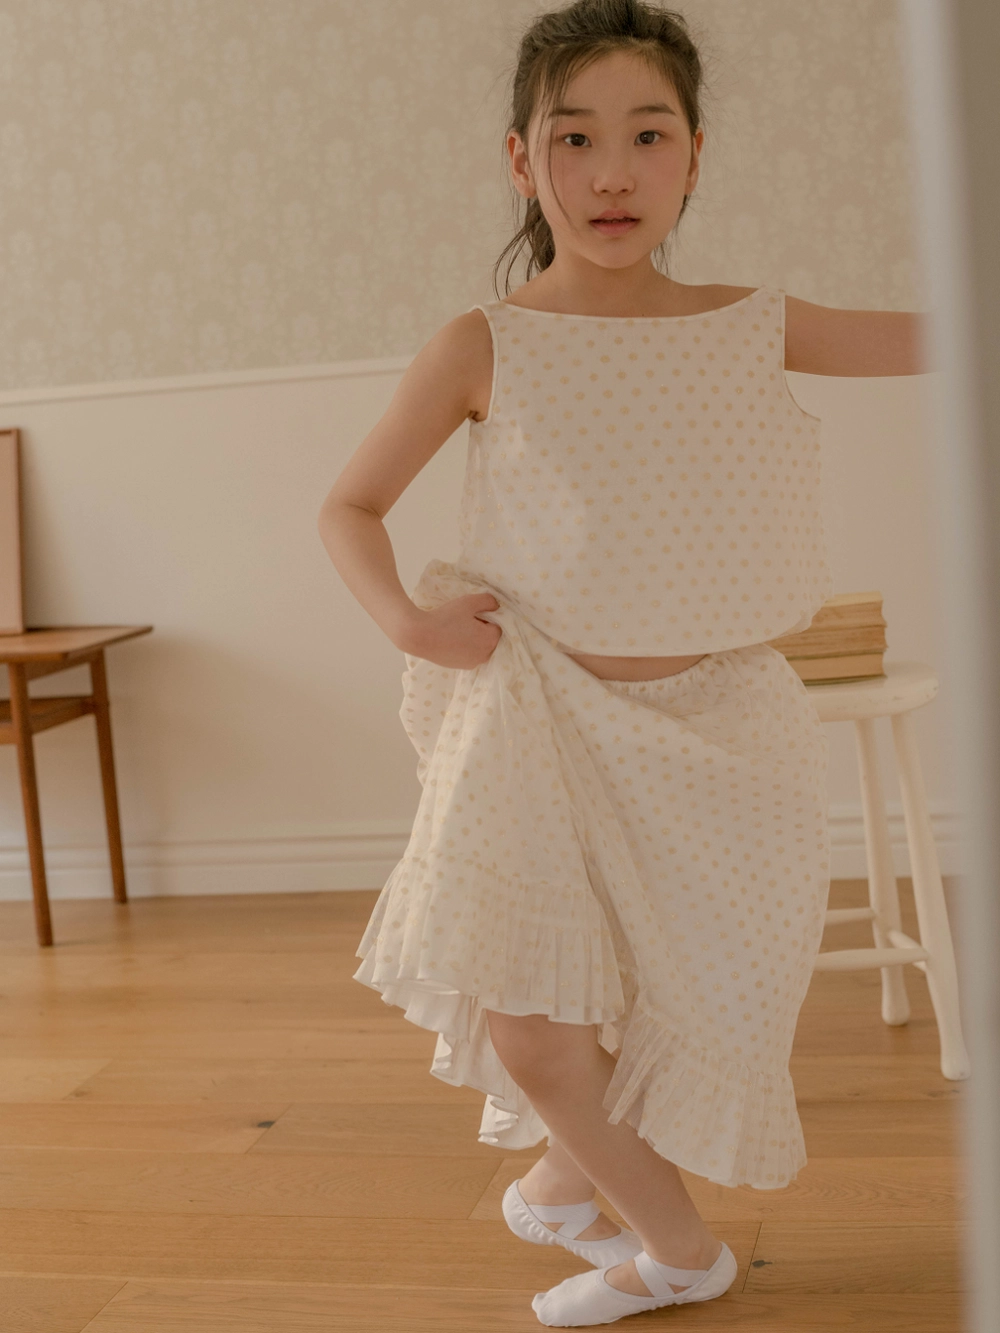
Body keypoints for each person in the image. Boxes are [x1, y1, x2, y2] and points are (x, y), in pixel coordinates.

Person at [317, 1, 927, 1324]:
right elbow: (348, 507)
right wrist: (413, 624)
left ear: (695, 156)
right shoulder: (484, 345)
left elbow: (945, 334)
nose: (611, 172)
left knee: (676, 1002)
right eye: (574, 137)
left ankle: (564, 1182)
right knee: (534, 1025)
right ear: (521, 160)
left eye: (648, 135)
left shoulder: (753, 323)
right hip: (539, 719)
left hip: (725, 737)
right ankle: (681, 1251)